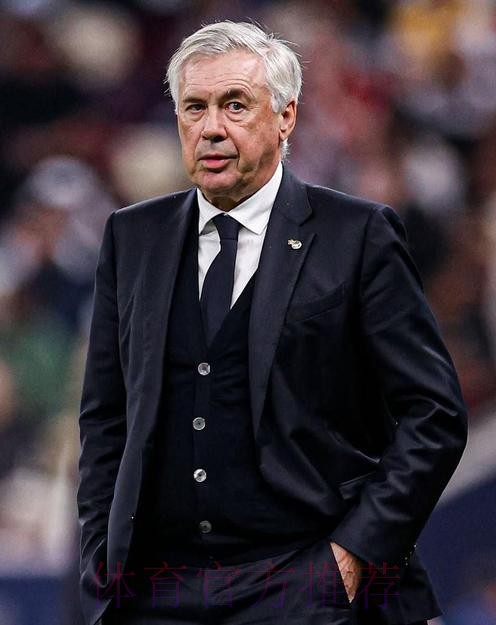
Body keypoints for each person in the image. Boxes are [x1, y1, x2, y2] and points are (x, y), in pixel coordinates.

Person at [77, 21, 468, 625]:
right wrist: (101, 551)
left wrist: (355, 554)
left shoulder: (357, 235)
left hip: (305, 584)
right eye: (195, 107)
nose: (211, 127)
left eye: (235, 105)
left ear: (286, 117)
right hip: (159, 591)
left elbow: (433, 413)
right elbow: (106, 417)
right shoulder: (131, 236)